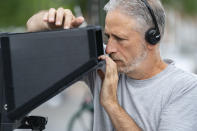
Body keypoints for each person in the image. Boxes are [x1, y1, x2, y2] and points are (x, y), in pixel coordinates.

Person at [27, 0, 197, 131]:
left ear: (153, 38)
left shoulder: (186, 88)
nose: (109, 48)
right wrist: (50, 21)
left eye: (120, 39)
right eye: (108, 37)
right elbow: (31, 28)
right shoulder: (102, 63)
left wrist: (111, 103)